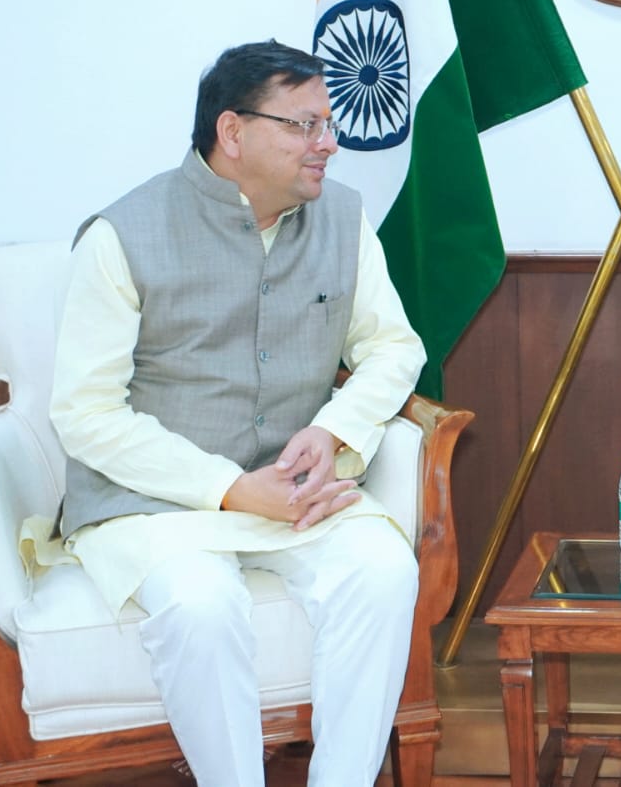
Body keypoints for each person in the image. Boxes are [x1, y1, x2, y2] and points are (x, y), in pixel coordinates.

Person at [48, 40, 427, 787]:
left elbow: (393, 347)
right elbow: (85, 412)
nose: (328, 143)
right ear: (233, 131)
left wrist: (333, 429)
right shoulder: (122, 234)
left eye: (328, 124)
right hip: (154, 503)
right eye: (304, 125)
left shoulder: (343, 219)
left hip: (293, 494)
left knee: (384, 570)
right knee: (200, 603)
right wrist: (226, 487)